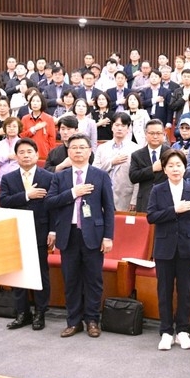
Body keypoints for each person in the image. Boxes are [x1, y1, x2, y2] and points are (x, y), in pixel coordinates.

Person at [45, 134, 115, 339]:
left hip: (93, 235)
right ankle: (73, 321)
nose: (78, 151)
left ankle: (92, 320)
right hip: (68, 234)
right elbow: (49, 202)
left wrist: (108, 236)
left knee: (94, 279)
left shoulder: (100, 175)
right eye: (74, 147)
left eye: (82, 147)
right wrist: (73, 193)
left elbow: (109, 209)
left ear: (89, 151)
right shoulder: (60, 177)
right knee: (71, 279)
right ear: (68, 152)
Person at [146, 149, 190, 351]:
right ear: (164, 169)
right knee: (164, 290)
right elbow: (151, 217)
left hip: (187, 247)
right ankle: (166, 331)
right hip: (164, 247)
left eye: (178, 165)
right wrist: (174, 210)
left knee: (185, 291)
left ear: (185, 167)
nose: (175, 169)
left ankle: (183, 330)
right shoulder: (157, 190)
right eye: (170, 165)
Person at [0, 138, 55, 331]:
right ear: (16, 156)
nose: (25, 155)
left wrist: (53, 231)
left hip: (40, 230)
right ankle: (22, 312)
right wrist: (26, 195)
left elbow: (53, 206)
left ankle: (40, 311)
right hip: (16, 231)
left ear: (37, 154)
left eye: (29, 152)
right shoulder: (8, 178)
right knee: (18, 273)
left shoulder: (49, 177)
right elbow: (4, 202)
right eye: (21, 152)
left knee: (40, 273)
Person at [93, 113, 139, 211]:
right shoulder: (102, 148)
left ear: (128, 129)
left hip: (125, 196)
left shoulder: (136, 149)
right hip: (103, 195)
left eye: (123, 126)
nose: (119, 128)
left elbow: (138, 177)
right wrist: (111, 162)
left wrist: (134, 199)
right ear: (112, 127)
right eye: (117, 125)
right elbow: (94, 171)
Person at [129, 119, 170, 212]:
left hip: (166, 199)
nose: (155, 136)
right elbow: (133, 177)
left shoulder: (171, 153)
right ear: (145, 134)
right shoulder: (137, 155)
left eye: (158, 133)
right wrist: (152, 169)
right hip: (145, 200)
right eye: (151, 133)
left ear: (164, 134)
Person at [19, 92, 57, 159]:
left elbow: (52, 138)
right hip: (28, 153)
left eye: (38, 101)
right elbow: (22, 136)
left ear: (42, 103)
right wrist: (34, 129)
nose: (35, 103)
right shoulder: (25, 118)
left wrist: (51, 155)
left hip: (44, 153)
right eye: (33, 101)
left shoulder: (49, 119)